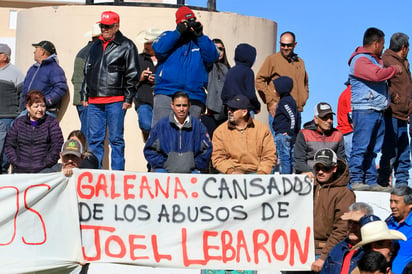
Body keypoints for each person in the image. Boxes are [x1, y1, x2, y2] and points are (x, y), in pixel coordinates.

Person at [81, 11, 140, 170]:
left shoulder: (127, 45)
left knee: (116, 140)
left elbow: (133, 73)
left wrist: (128, 98)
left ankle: (118, 177)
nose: (104, 29)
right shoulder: (95, 46)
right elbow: (87, 70)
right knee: (94, 140)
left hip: (116, 100)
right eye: (102, 26)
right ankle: (96, 176)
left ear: (116, 26)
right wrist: (84, 93)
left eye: (107, 26)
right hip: (94, 101)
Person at [348, 27, 402, 191]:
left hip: (376, 109)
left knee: (373, 149)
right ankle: (356, 178)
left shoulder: (372, 60)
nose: (383, 48)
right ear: (376, 43)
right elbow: (377, 75)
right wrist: (394, 69)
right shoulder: (360, 60)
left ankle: (371, 181)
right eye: (382, 44)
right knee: (361, 147)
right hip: (365, 109)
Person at [151, 6, 219, 125]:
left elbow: (212, 56)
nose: (189, 24)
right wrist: (178, 33)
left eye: (192, 20)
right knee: (161, 135)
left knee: (189, 137)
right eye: (185, 22)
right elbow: (158, 49)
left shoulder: (201, 41)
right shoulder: (169, 36)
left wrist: (200, 36)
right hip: (167, 92)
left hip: (193, 94)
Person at [255, 31, 309, 137]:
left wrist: (303, 99)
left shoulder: (300, 62)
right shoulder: (272, 60)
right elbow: (259, 80)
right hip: (280, 111)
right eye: (282, 44)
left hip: (296, 111)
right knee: (280, 144)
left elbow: (305, 83)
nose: (285, 47)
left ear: (294, 45)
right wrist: (271, 102)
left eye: (288, 45)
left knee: (294, 147)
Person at [144, 91, 212, 173]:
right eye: (178, 105)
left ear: (189, 105)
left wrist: (195, 164)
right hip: (165, 172)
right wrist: (163, 164)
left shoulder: (198, 126)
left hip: (192, 172)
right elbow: (149, 150)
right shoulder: (161, 126)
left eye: (184, 105)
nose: (181, 109)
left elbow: (208, 149)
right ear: (172, 105)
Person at [311, 148, 355, 272]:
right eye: (317, 168)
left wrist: (324, 257)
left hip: (324, 254)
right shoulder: (308, 185)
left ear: (334, 168)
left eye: (325, 168)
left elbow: (342, 229)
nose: (320, 172)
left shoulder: (344, 193)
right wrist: (300, 181)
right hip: (300, 251)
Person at [378, 33, 412, 188]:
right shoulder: (386, 60)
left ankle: (402, 186)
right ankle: (384, 182)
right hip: (390, 114)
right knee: (390, 151)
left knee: (404, 154)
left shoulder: (405, 63)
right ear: (404, 48)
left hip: (404, 115)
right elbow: (380, 80)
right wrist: (391, 95)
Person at [212, 94, 276, 174]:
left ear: (244, 112)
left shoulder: (262, 130)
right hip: (230, 175)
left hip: (256, 174)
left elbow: (269, 156)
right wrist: (231, 171)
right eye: (229, 108)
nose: (229, 111)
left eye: (233, 109)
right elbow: (218, 158)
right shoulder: (220, 132)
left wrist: (262, 173)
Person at [4, 90, 64, 173]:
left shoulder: (51, 123)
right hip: (20, 171)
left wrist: (46, 163)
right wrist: (16, 162)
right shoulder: (18, 123)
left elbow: (57, 145)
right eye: (36, 106)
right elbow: (9, 145)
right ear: (28, 107)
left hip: (43, 171)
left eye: (43, 106)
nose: (40, 109)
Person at [294, 102, 345, 179]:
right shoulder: (304, 134)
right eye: (325, 117)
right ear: (316, 119)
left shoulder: (338, 135)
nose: (329, 121)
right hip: (309, 176)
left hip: (330, 176)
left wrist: (329, 174)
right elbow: (299, 162)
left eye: (331, 117)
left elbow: (340, 161)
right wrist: (313, 172)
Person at [320, 202, 374, 274]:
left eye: (356, 222)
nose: (351, 226)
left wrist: (363, 219)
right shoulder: (337, 249)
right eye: (350, 222)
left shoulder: (372, 250)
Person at [21, 40, 68, 116]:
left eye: (36, 49)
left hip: (45, 112)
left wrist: (44, 102)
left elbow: (61, 88)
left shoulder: (54, 68)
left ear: (42, 52)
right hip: (28, 110)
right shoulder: (33, 68)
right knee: (16, 126)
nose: (34, 52)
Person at [71, 24, 101, 138]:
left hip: (80, 99)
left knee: (86, 133)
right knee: (89, 135)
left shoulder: (82, 51)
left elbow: (75, 78)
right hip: (88, 100)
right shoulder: (95, 52)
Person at [134, 28, 163, 142]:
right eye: (145, 42)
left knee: (162, 129)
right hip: (144, 99)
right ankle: (149, 148)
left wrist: (158, 80)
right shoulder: (138, 59)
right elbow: (129, 80)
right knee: (146, 124)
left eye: (149, 43)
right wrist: (140, 78)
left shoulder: (165, 59)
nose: (146, 45)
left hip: (162, 99)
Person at [0, 43, 24, 174]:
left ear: (4, 57)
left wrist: (19, 113)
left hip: (7, 118)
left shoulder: (16, 72)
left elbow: (23, 94)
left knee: (4, 151)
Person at [202, 38, 231, 138]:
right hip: (209, 112)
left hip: (224, 113)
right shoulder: (206, 66)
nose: (219, 52)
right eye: (215, 49)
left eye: (221, 49)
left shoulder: (228, 69)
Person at [272, 76, 301, 174]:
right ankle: (291, 177)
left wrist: (290, 131)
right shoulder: (291, 100)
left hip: (283, 135)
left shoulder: (284, 102)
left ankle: (285, 181)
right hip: (290, 135)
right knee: (290, 158)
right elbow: (298, 116)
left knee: (284, 159)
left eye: (275, 88)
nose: (273, 90)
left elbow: (292, 117)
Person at [221, 43, 260, 114]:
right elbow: (251, 94)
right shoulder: (248, 72)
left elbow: (224, 94)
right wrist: (257, 106)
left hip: (231, 109)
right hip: (245, 110)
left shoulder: (230, 71)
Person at [386, 185, 412, 274]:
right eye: (391, 201)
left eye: (396, 202)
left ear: (410, 204)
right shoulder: (387, 223)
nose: (392, 206)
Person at [336, 82, 353, 160]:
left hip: (344, 132)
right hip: (349, 132)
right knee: (353, 160)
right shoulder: (351, 93)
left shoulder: (345, 92)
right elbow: (351, 115)